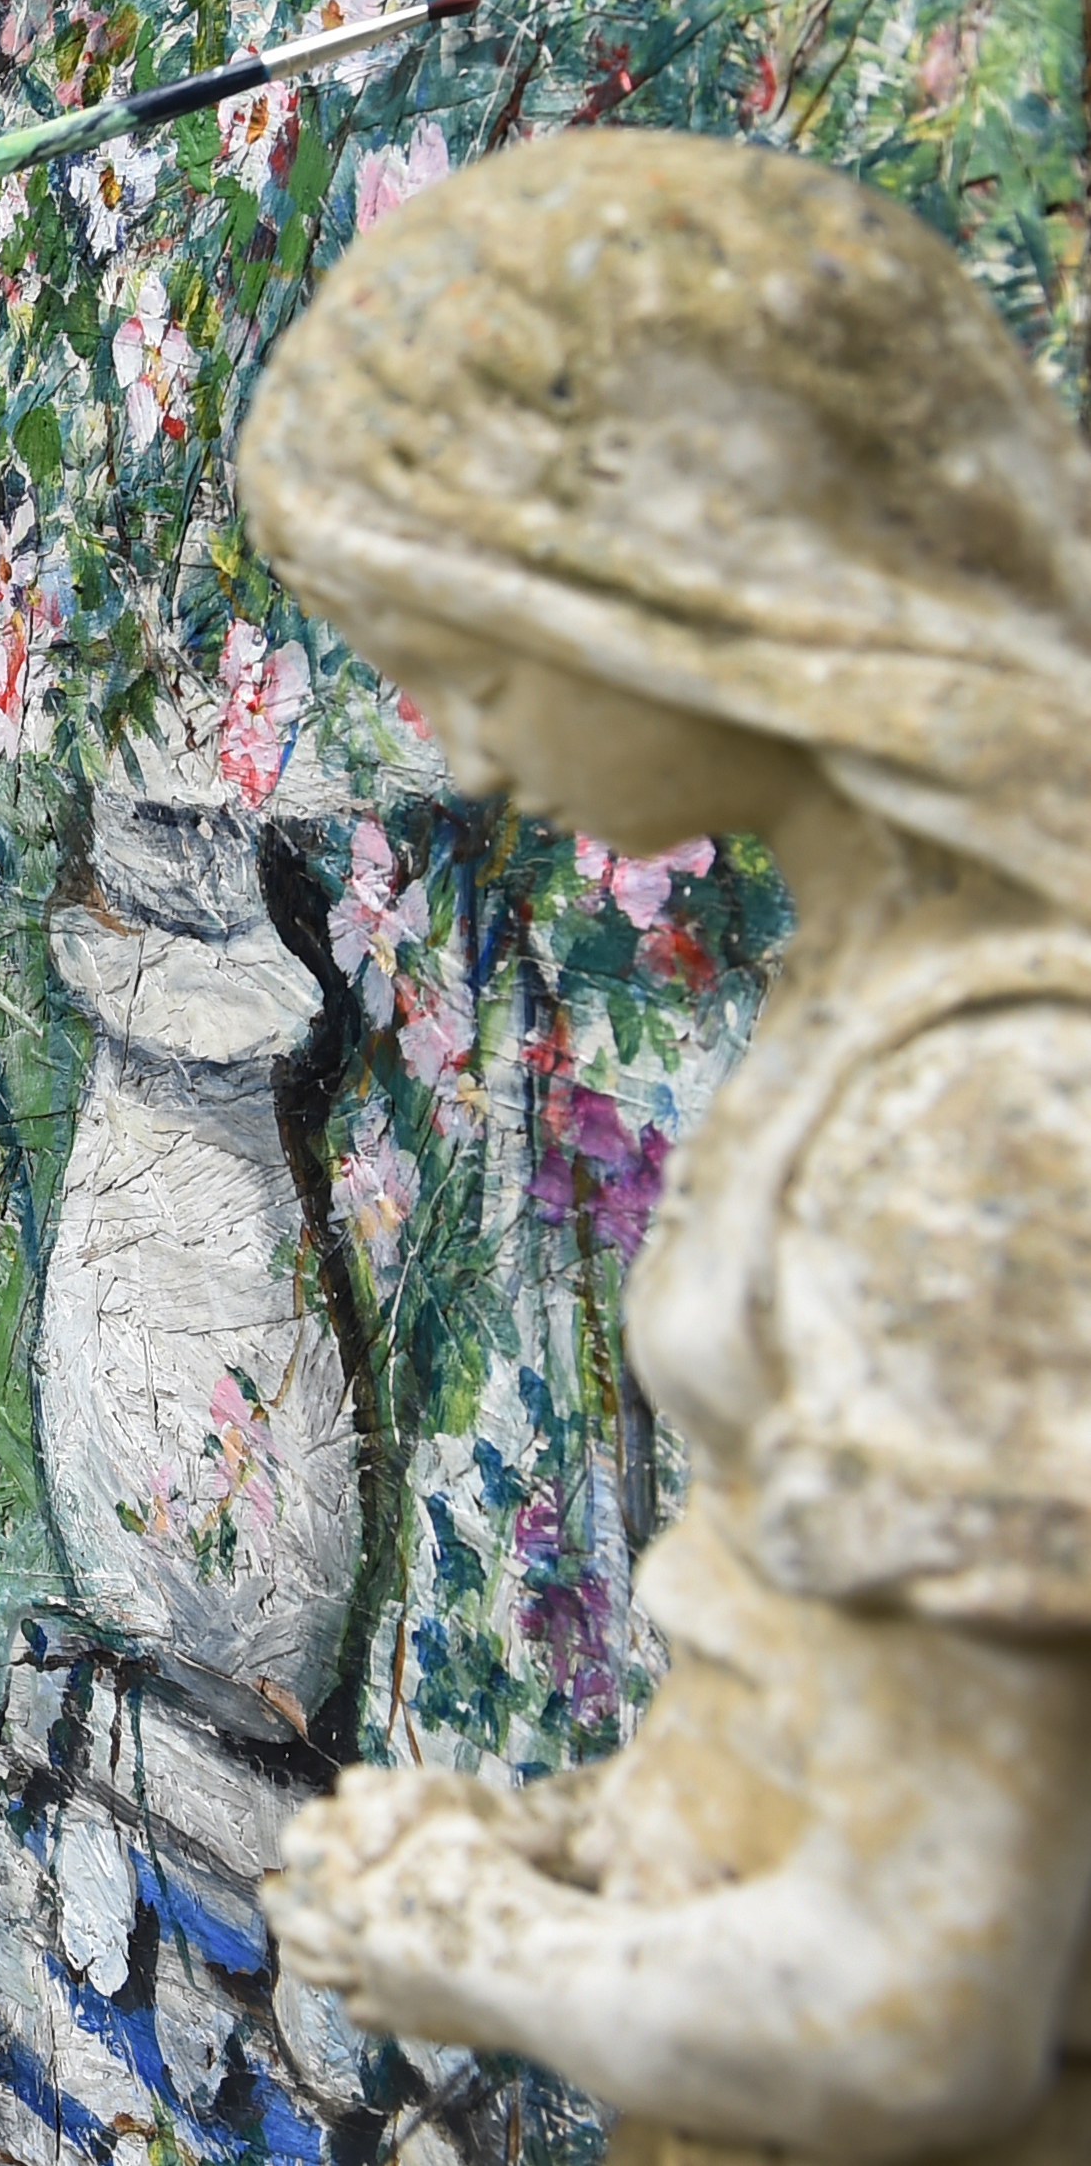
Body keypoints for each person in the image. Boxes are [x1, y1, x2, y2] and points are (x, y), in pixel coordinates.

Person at [249, 131, 1091, 2155]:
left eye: (469, 653)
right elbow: (832, 1738)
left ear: (676, 575)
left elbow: (916, 2012)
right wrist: (558, 1844)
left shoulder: (978, 1110)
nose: (454, 742)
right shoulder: (883, 1008)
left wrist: (473, 1952)